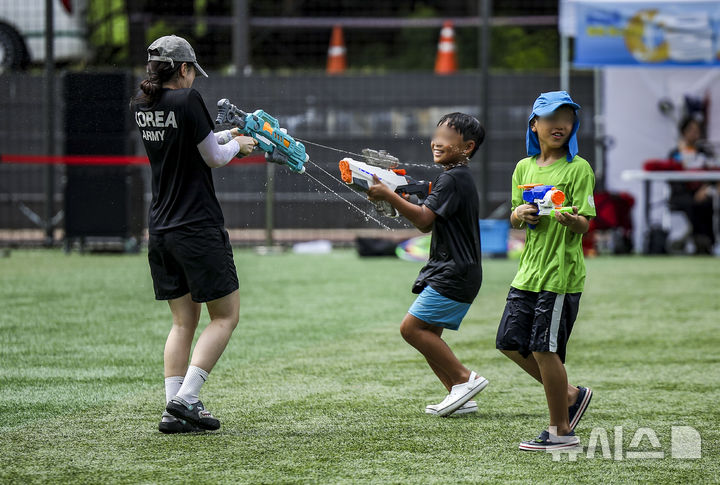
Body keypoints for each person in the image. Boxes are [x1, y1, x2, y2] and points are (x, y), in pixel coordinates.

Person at [131, 35, 257, 433]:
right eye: (191, 72)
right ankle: (187, 399)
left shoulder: (143, 103)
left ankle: (173, 408)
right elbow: (214, 158)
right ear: (183, 69)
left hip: (163, 228)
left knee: (182, 322)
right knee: (226, 316)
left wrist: (229, 136)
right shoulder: (188, 100)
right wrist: (238, 145)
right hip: (197, 226)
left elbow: (190, 146)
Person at [367, 113, 489, 417]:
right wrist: (402, 193)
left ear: (468, 146)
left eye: (448, 138)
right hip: (458, 269)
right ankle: (460, 396)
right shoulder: (454, 177)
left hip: (454, 270)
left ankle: (464, 379)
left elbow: (423, 219)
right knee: (428, 334)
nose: (437, 142)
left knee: (411, 329)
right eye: (436, 135)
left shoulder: (452, 178)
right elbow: (426, 225)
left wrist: (388, 195)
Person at [496, 91, 595, 451]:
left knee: (544, 348)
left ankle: (561, 432)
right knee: (508, 341)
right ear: (534, 125)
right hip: (527, 272)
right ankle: (569, 394)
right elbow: (514, 214)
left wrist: (573, 221)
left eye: (567, 118)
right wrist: (518, 215)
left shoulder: (578, 168)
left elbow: (585, 223)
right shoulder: (523, 168)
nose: (560, 125)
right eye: (552, 118)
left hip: (560, 274)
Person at [668, 115, 717, 254]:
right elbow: (672, 178)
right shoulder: (675, 153)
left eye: (697, 130)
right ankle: (699, 239)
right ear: (684, 132)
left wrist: (705, 189)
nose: (694, 134)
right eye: (691, 130)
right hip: (682, 194)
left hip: (703, 192)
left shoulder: (704, 153)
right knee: (692, 203)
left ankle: (707, 241)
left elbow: (712, 172)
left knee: (706, 203)